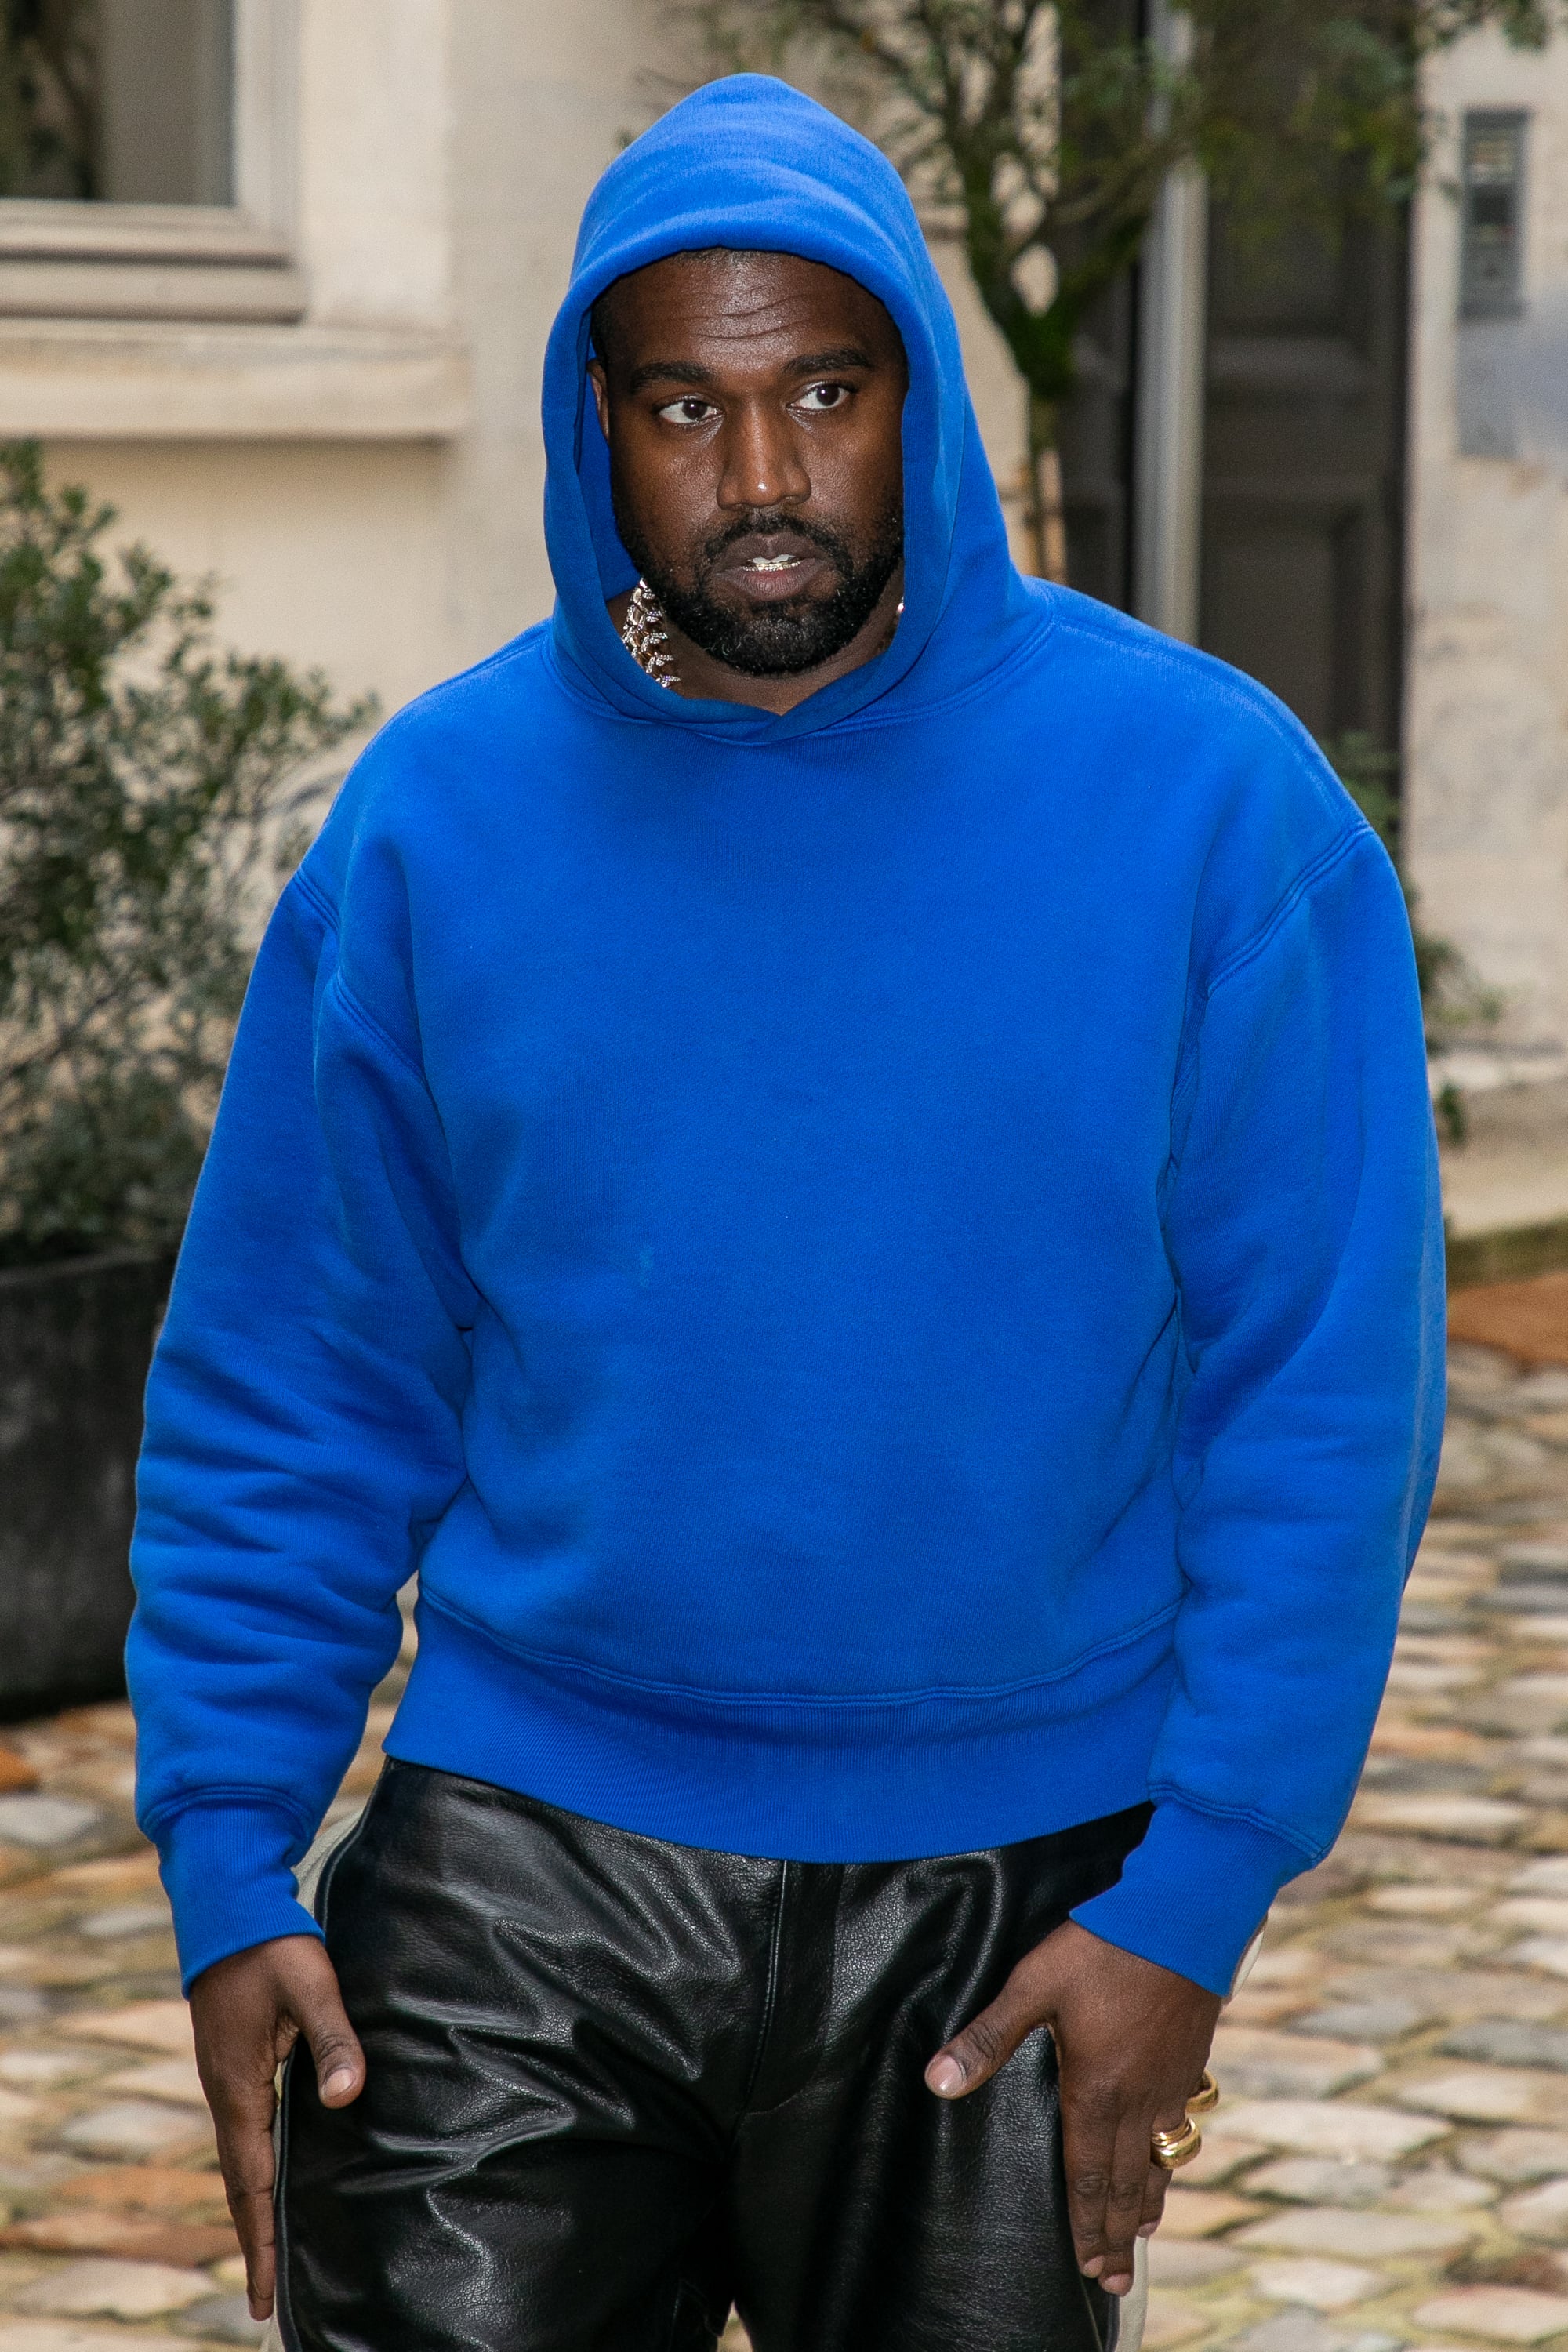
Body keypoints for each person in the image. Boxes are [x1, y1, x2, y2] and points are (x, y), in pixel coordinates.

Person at [128, 74, 1444, 2352]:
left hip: (1011, 1879)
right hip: (524, 1852)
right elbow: (298, 1369)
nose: (757, 479)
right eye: (684, 407)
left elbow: (1321, 1398)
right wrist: (230, 1849)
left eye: (822, 392)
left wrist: (1199, 1894)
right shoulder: (440, 823)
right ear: (595, 431)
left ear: (915, 398)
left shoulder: (1214, 811)